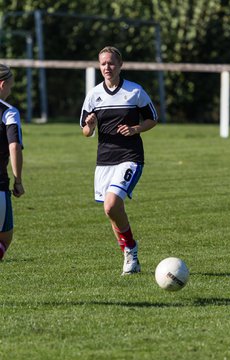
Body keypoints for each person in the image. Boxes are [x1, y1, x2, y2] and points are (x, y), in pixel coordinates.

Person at [80, 46, 158, 275]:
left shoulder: (135, 91)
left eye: (111, 63)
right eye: (103, 63)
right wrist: (91, 125)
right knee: (112, 211)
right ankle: (129, 256)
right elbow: (85, 131)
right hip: (104, 161)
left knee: (112, 204)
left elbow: (152, 119)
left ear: (120, 65)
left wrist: (135, 128)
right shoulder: (94, 95)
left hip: (130, 158)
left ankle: (131, 249)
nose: (107, 67)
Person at [0, 64, 24, 260]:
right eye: (10, 86)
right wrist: (18, 181)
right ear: (2, 85)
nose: (10, 90)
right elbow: (14, 146)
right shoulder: (9, 112)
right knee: (5, 239)